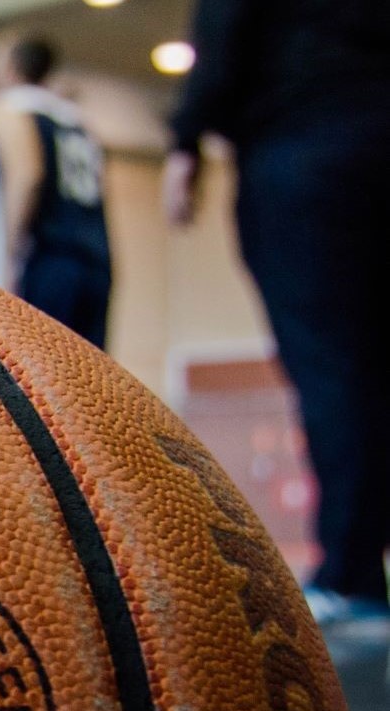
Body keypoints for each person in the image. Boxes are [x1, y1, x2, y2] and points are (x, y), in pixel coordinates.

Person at [163, 0, 390, 626]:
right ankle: (356, 571)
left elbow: (227, 28)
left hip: (307, 156)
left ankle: (352, 576)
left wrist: (185, 141)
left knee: (334, 369)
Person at [0, 30, 113, 348]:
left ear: (10, 66)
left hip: (50, 259)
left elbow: (28, 175)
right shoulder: (76, 119)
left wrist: (10, 254)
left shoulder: (10, 108)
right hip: (96, 260)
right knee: (88, 379)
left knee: (40, 375)